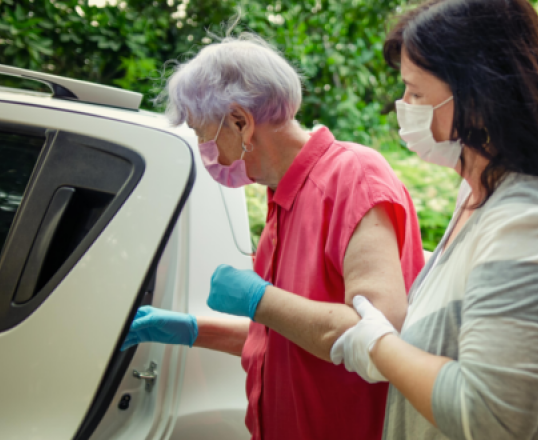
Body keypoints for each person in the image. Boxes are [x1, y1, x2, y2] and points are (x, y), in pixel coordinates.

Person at [330, 0, 538, 439]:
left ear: (479, 97)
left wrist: (379, 345)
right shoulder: (478, 195)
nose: (403, 106)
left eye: (416, 94)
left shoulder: (531, 220)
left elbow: (490, 415)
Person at [122, 33, 425, 440]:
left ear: (240, 121)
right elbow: (287, 336)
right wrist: (193, 330)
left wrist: (259, 299)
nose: (202, 147)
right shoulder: (281, 197)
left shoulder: (353, 176)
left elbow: (375, 334)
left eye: (201, 132)